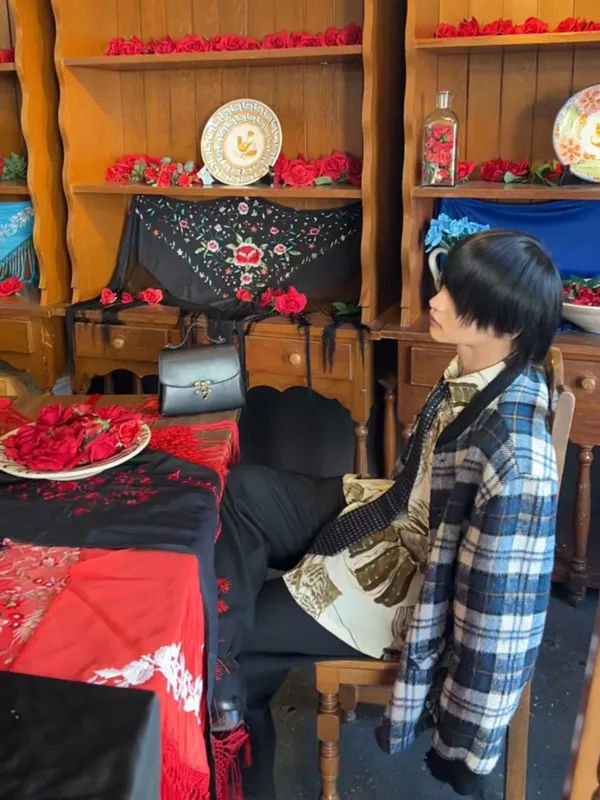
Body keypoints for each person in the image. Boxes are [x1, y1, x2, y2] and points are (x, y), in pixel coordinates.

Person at [212, 230, 563, 799]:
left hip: (414, 583)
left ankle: (227, 682)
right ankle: (224, 628)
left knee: (235, 655)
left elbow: (501, 618)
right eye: (445, 286)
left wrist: (464, 748)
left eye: (458, 297)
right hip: (393, 510)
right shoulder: (477, 368)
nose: (436, 301)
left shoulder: (516, 457)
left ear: (509, 325)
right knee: (243, 493)